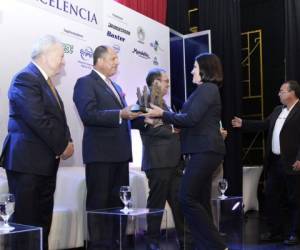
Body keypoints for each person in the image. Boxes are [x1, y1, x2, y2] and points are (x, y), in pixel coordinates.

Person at [145, 53, 227, 250]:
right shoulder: (204, 90)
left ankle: (216, 245)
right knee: (199, 200)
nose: (192, 70)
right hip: (203, 150)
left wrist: (163, 114)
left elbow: (190, 118)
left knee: (185, 197)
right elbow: (191, 120)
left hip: (205, 151)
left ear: (205, 70)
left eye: (195, 67)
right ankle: (209, 244)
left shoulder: (207, 89)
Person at [0, 35, 74, 250]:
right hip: (28, 165)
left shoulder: (46, 82)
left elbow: (58, 118)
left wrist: (67, 140)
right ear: (46, 54)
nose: (63, 61)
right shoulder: (26, 78)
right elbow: (38, 119)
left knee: (42, 225)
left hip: (44, 165)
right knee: (26, 226)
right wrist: (62, 146)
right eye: (61, 56)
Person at [73, 45, 139, 250]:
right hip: (100, 156)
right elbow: (88, 114)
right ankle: (100, 246)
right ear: (99, 61)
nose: (117, 62)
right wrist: (120, 114)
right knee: (99, 206)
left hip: (120, 155)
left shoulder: (116, 87)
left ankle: (116, 245)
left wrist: (141, 116)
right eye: (113, 58)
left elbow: (125, 118)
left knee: (119, 205)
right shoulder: (85, 83)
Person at [232, 80, 300, 245]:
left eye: (282, 91)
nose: (279, 94)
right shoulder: (278, 110)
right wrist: (244, 123)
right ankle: (276, 232)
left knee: (294, 199)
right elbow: (264, 124)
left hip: (293, 162)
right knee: (271, 197)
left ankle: (294, 233)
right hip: (275, 162)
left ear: (292, 93)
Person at [138, 68, 192, 250]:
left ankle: (186, 241)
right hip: (158, 162)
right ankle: (152, 241)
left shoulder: (165, 105)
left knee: (179, 204)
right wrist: (172, 129)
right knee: (156, 205)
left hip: (175, 162)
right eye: (165, 80)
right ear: (156, 82)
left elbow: (174, 126)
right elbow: (149, 128)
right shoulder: (144, 101)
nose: (168, 84)